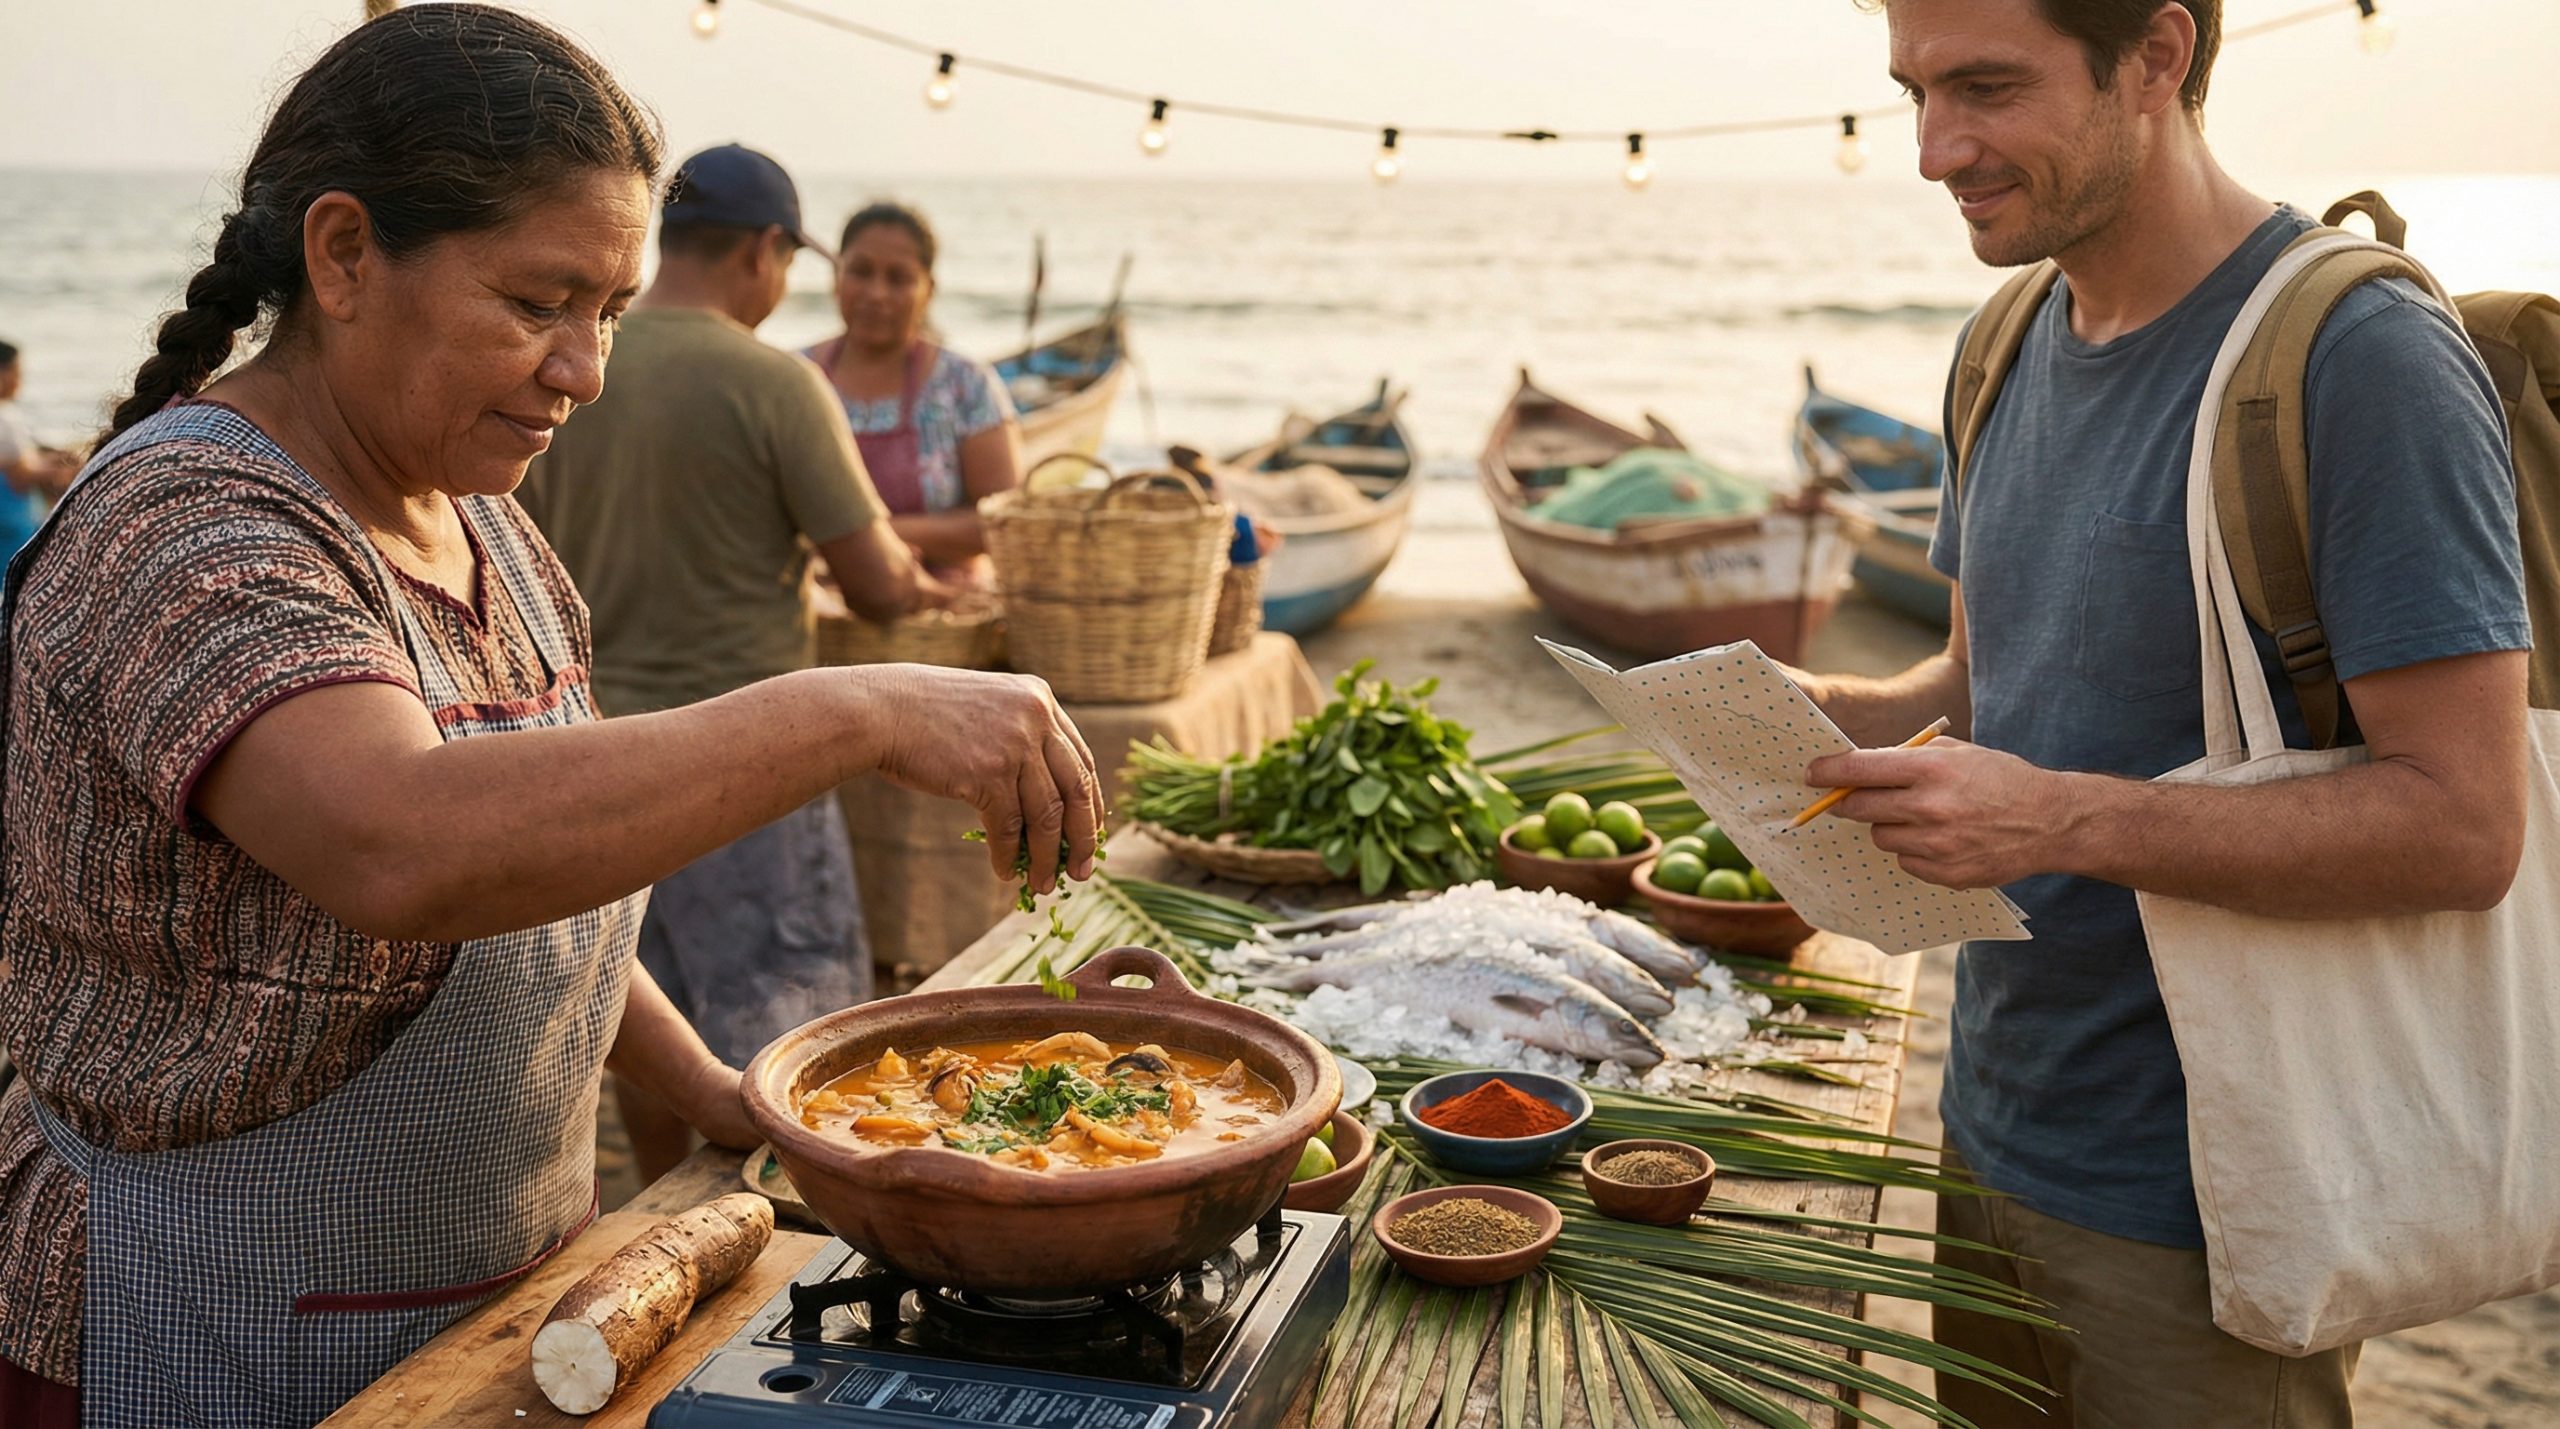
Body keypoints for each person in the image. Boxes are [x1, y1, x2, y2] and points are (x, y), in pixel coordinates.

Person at [0, 10, 1099, 1425]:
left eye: (613, 312)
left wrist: (707, 1086)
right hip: (195, 1326)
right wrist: (859, 708)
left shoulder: (487, 530)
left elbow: (526, 887)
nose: (583, 369)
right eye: (538, 304)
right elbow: (407, 846)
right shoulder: (190, 527)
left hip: (500, 1305)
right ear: (343, 256)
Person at [1795, 1, 2528, 1424]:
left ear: (2159, 56)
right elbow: (1978, 684)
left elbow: (2464, 825)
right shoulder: (2000, 338)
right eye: (1916, 92)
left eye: (1990, 88)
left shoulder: (2360, 359)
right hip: (1985, 1130)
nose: (1939, 149)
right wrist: (1809, 717)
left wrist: (2056, 815)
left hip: (2220, 1210)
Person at [517, 145, 946, 1184]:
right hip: (752, 768)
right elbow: (880, 583)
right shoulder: (776, 382)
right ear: (764, 252)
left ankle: (665, 1207)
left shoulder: (560, 369)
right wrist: (935, 589)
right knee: (791, 1044)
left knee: (644, 1023)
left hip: (596, 765)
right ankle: (780, 1245)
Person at [802, 202, 1023, 578]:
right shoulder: (797, 379)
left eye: (898, 278)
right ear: (836, 276)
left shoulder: (966, 386)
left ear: (928, 289)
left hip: (946, 617)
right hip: (814, 609)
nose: (877, 293)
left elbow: (1003, 523)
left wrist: (867, 539)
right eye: (861, 272)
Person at [0, 342, 79, 560]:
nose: (19, 380)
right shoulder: (5, 417)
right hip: (10, 516)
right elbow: (20, 474)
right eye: (17, 373)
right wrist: (58, 470)